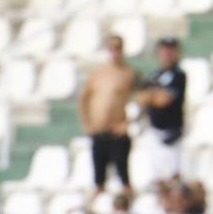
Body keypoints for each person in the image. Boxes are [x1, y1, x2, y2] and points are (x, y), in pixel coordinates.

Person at [79, 35, 137, 195]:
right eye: (112, 48)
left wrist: (127, 123)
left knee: (123, 177)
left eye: (118, 48)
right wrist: (87, 124)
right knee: (98, 180)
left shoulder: (128, 73)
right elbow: (84, 98)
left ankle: (127, 207)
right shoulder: (98, 73)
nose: (115, 52)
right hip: (99, 131)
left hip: (117, 131)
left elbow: (142, 100)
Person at [137, 37, 187, 184]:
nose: (167, 53)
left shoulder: (178, 75)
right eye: (164, 50)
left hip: (170, 132)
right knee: (157, 176)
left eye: (171, 50)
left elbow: (165, 100)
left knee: (172, 175)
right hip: (154, 131)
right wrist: (155, 95)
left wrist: (152, 96)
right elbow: (141, 98)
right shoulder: (155, 75)